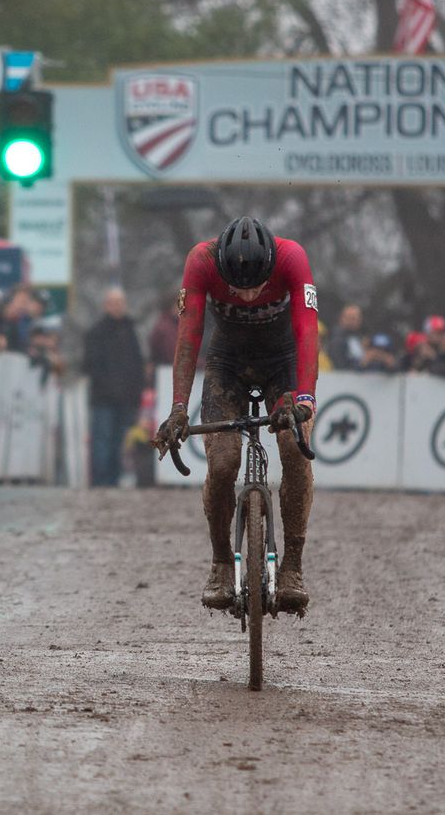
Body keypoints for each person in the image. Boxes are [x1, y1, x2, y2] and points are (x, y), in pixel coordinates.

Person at [152, 216, 318, 615]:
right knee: (224, 462)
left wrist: (305, 399)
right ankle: (222, 562)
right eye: (238, 290)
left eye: (257, 288)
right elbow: (189, 334)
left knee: (294, 449)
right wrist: (178, 407)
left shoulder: (293, 257)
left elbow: (308, 330)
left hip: (284, 363)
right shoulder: (202, 260)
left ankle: (293, 565)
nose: (246, 298)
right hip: (227, 364)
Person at [83, 287, 144, 488]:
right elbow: (91, 365)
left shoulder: (130, 330)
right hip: (103, 397)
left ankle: (113, 478)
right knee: (102, 439)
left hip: (124, 398)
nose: (118, 307)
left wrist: (135, 392)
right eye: (114, 303)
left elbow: (137, 364)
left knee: (118, 441)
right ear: (106, 305)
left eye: (121, 303)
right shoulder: (96, 332)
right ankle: (100, 480)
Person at [325, 303, 363, 370]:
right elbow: (339, 365)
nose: (353, 322)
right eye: (351, 318)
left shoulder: (357, 337)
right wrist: (363, 364)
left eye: (356, 318)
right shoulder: (337, 339)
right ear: (342, 318)